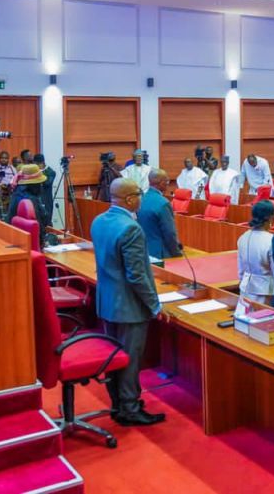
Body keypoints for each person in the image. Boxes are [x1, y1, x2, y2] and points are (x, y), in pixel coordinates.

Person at [92, 178, 165, 426]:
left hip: (107, 302)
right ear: (131, 199)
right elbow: (137, 275)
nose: (142, 199)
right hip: (130, 307)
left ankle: (118, 404)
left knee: (114, 357)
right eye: (139, 194)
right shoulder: (131, 228)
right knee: (130, 360)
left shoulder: (99, 221)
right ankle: (130, 409)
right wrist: (155, 305)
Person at [237, 200, 274, 304]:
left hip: (245, 287)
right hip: (264, 291)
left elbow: (241, 270)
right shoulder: (271, 240)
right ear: (270, 218)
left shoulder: (243, 237)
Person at [137, 169, 182, 259]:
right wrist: (177, 253)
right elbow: (170, 233)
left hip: (143, 251)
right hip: (160, 253)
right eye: (166, 181)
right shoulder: (163, 203)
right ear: (161, 183)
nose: (168, 183)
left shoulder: (141, 199)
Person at [5, 164, 50, 246]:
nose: (41, 186)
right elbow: (39, 225)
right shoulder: (31, 200)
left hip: (16, 241)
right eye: (39, 183)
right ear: (33, 185)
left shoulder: (16, 194)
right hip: (31, 244)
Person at [33, 154, 56, 227]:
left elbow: (47, 183)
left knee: (47, 221)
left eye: (36, 164)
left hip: (46, 200)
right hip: (36, 199)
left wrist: (39, 173)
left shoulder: (51, 172)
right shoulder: (34, 172)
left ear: (42, 163)